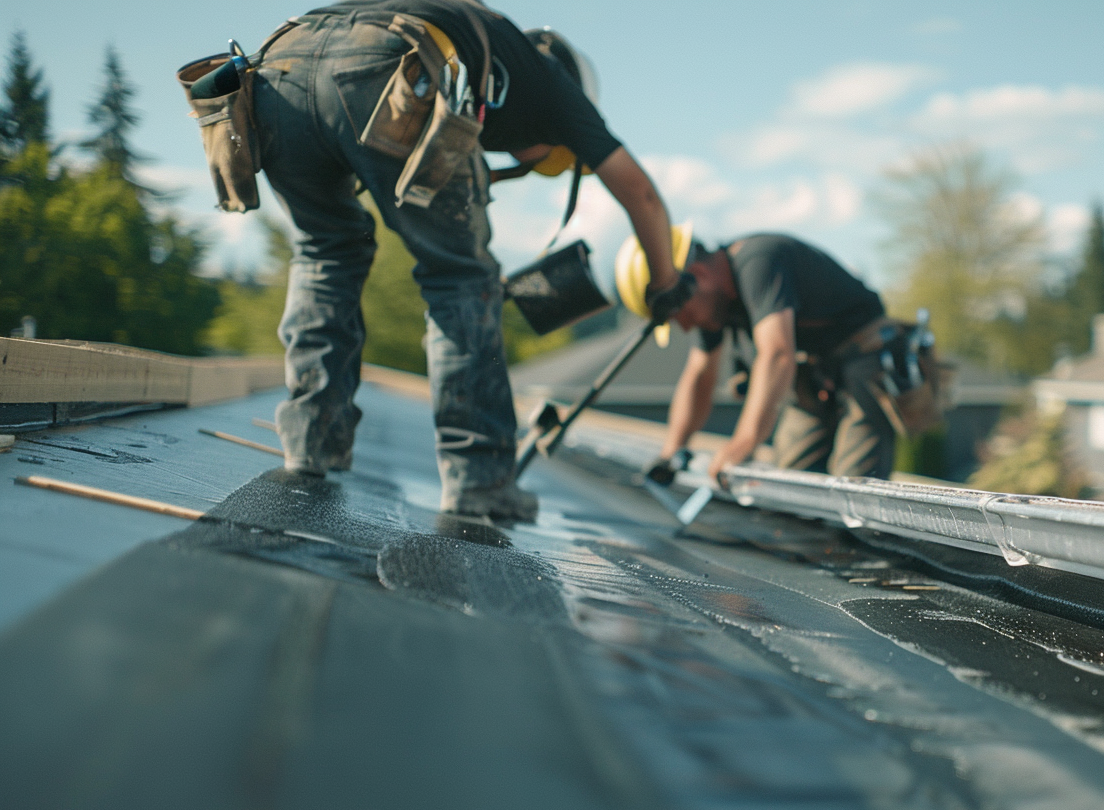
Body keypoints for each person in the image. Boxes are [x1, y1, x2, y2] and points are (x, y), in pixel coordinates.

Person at [248, 0, 692, 522]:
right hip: (388, 62)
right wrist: (665, 283)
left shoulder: (497, 61)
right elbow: (641, 194)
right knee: (461, 276)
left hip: (278, 65)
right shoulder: (555, 87)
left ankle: (311, 441)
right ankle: (479, 480)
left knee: (326, 252)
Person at [617, 228, 908, 487]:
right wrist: (670, 453)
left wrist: (743, 442)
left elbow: (778, 354)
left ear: (700, 276)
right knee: (793, 481)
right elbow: (700, 373)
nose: (685, 325)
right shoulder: (713, 302)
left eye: (679, 314)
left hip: (866, 354)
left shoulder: (759, 262)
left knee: (854, 492)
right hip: (816, 370)